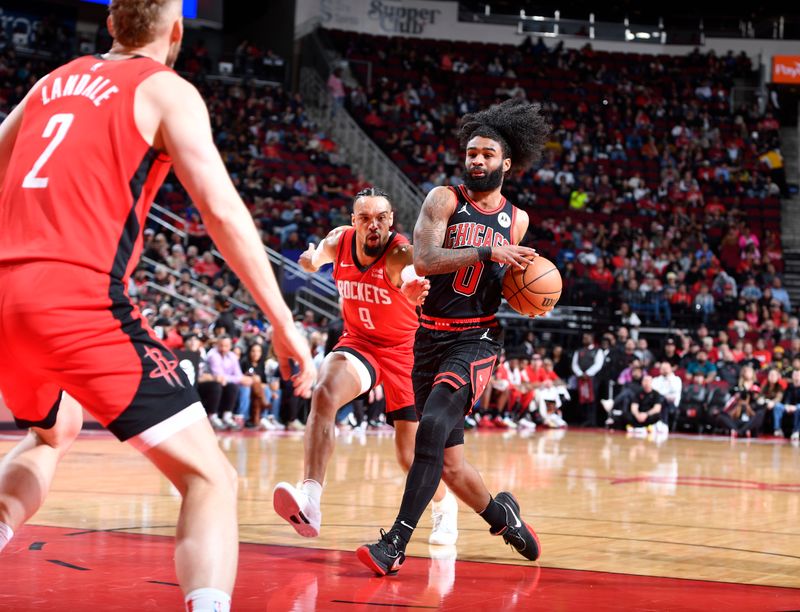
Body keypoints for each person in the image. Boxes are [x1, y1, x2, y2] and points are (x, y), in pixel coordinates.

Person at [0, 2, 315, 611]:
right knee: (211, 479)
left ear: (112, 25)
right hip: (79, 301)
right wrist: (282, 321)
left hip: (7, 300)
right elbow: (221, 213)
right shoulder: (166, 90)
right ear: (176, 33)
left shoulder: (48, 83)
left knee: (51, 432)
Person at [357, 99, 549, 576]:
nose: (477, 160)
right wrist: (486, 250)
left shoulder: (517, 218)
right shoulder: (444, 199)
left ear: (506, 163)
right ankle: (504, 517)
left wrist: (535, 290)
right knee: (451, 464)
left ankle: (395, 544)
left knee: (432, 429)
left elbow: (510, 283)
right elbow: (424, 259)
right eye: (471, 153)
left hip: (477, 340)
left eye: (487, 154)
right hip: (428, 339)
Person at [273, 188, 460, 546]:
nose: (373, 225)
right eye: (365, 218)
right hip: (360, 344)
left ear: (391, 220)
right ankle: (310, 499)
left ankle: (443, 507)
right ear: (353, 219)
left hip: (406, 353)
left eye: (381, 217)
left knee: (409, 456)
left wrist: (413, 288)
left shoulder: (400, 253)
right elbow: (316, 258)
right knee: (324, 392)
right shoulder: (339, 241)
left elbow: (409, 274)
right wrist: (310, 260)